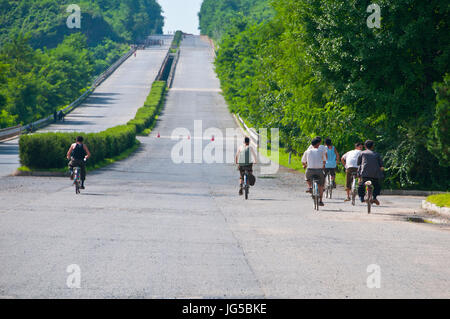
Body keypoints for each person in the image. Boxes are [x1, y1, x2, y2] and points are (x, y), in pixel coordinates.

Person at [357, 140, 384, 205]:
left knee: (361, 185)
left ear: (365, 146)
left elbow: (358, 163)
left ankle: (361, 197)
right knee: (377, 186)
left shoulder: (362, 153)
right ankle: (374, 197)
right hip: (375, 175)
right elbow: (381, 165)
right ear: (372, 147)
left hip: (365, 174)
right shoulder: (377, 154)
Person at [302, 138, 326, 206]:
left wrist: (305, 165)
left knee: (307, 177)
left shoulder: (307, 151)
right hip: (319, 170)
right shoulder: (321, 151)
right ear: (318, 144)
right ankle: (321, 201)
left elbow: (303, 161)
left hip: (310, 170)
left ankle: (309, 187)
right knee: (321, 185)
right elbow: (324, 161)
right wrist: (323, 165)